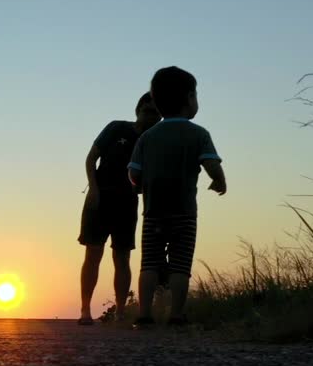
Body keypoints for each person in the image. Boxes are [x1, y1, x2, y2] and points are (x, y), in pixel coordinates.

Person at [127, 66, 226, 328]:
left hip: (153, 212)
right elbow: (211, 164)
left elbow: (134, 173)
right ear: (190, 98)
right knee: (181, 265)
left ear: (157, 104)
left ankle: (145, 314)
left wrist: (139, 185)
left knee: (149, 263)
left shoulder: (147, 137)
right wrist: (219, 180)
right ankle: (176, 315)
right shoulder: (199, 134)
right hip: (184, 213)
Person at [78, 93, 162, 325]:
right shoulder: (116, 128)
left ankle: (121, 312)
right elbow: (91, 158)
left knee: (122, 257)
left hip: (127, 203)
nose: (150, 116)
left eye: (156, 113)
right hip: (99, 198)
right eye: (147, 111)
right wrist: (93, 189)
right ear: (138, 110)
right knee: (93, 254)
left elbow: (151, 177)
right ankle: (85, 310)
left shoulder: (155, 141)